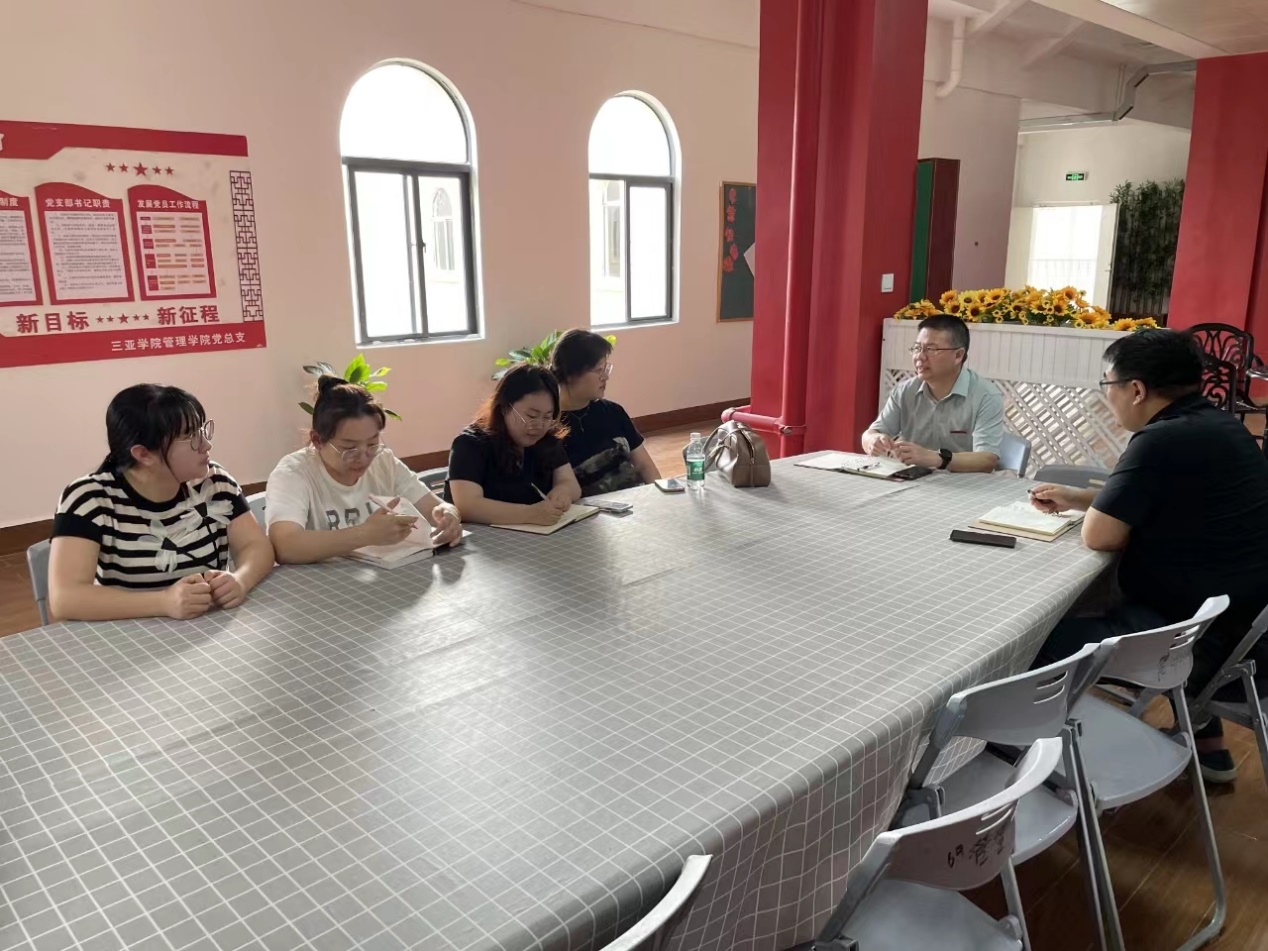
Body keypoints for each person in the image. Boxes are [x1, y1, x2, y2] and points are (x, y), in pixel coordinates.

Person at [1031, 329, 1268, 782]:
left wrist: (1094, 511)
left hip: (1197, 639)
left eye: (1108, 385)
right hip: (1242, 623)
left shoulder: (1159, 440)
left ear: (1136, 390)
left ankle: (1025, 759)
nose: (1108, 397)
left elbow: (1099, 536)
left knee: (1038, 638)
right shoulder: (1221, 426)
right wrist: (1079, 497)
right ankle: (1208, 745)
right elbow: (1163, 502)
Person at [48, 384, 275, 622]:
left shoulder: (214, 482)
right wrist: (164, 602)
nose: (206, 445)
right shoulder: (89, 499)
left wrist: (240, 580)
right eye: (191, 437)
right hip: (130, 632)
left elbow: (256, 546)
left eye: (202, 430)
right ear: (143, 454)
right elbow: (66, 598)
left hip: (210, 626)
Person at [266, 376, 463, 564]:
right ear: (318, 440)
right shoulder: (294, 474)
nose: (363, 458)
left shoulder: (383, 461)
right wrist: (365, 534)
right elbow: (286, 546)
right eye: (349, 448)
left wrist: (448, 514)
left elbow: (433, 506)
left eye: (372, 444)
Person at [861, 314, 1005, 473]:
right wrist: (873, 440)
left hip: (965, 483)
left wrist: (937, 459)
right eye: (917, 348)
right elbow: (872, 433)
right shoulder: (905, 390)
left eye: (931, 349)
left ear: (958, 355)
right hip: (914, 479)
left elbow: (987, 460)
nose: (920, 357)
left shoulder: (986, 396)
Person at [446, 363, 582, 525]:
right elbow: (467, 506)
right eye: (531, 416)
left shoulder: (547, 440)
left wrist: (562, 492)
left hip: (536, 535)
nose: (539, 425)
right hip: (481, 537)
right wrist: (529, 514)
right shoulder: (470, 444)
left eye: (547, 417)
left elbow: (570, 484)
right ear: (505, 407)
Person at [550, 329, 662, 495]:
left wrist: (662, 499)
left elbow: (643, 465)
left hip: (636, 503)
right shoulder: (549, 424)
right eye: (598, 370)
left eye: (606, 368)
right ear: (570, 374)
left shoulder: (612, 411)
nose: (605, 377)